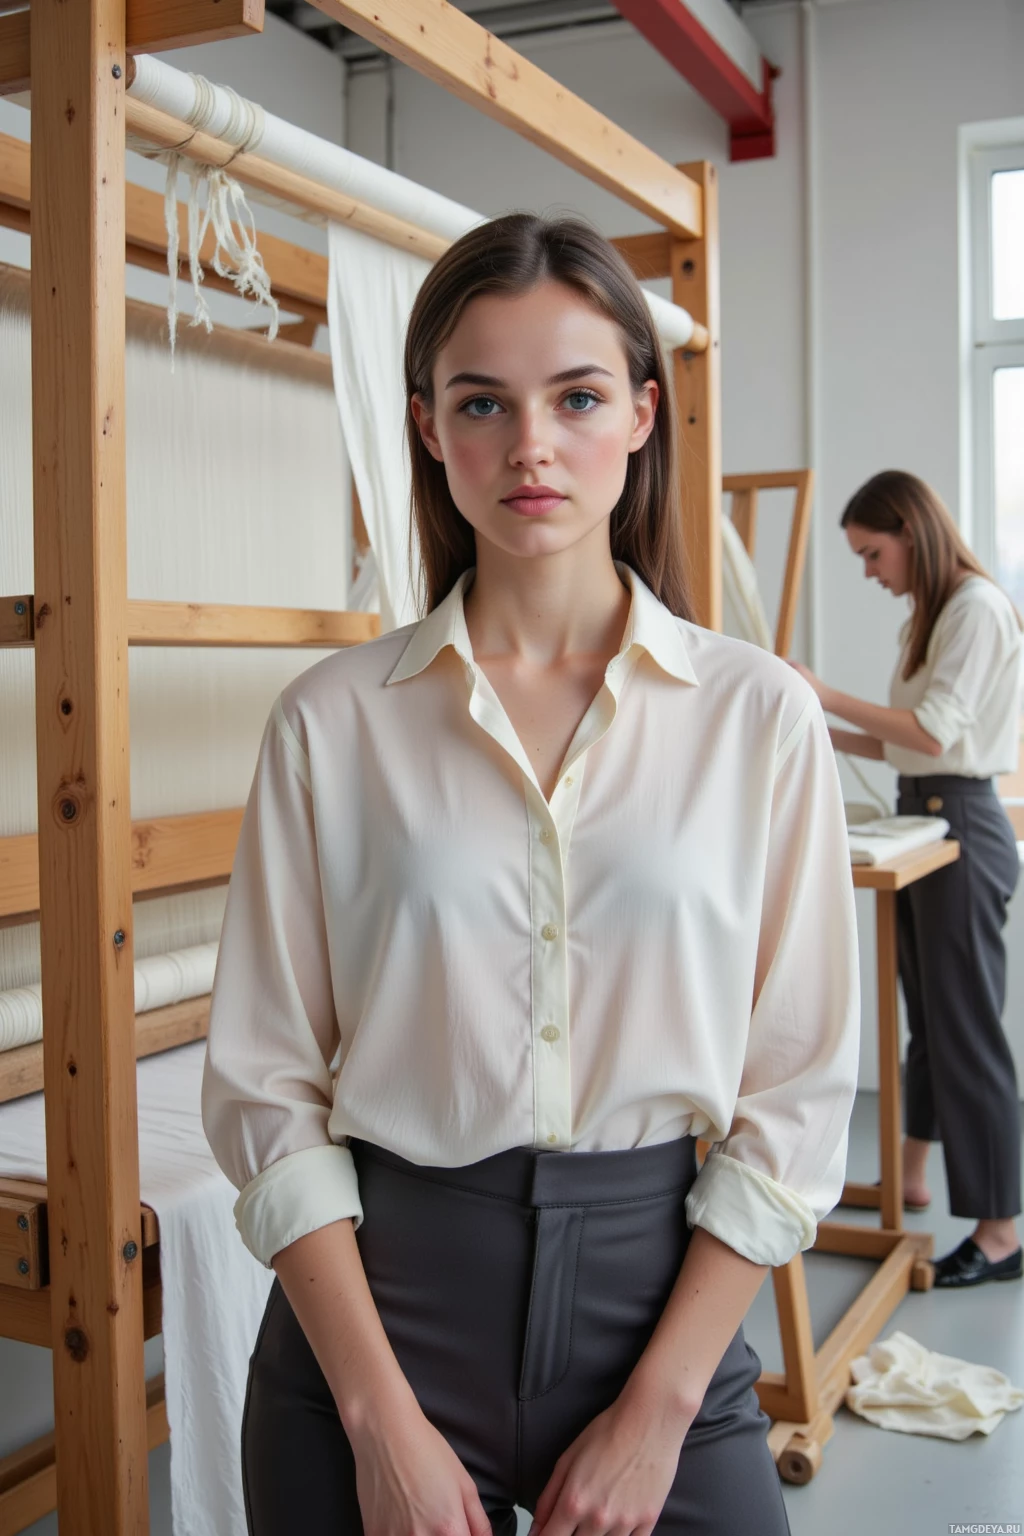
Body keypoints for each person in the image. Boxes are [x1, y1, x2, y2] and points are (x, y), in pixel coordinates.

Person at [202, 213, 860, 1536]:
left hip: (655, 1313)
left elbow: (792, 1088)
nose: (532, 445)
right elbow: (270, 1084)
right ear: (430, 429)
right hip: (376, 1321)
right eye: (483, 403)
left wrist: (660, 1412)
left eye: (576, 396)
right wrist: (379, 1422)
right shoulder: (334, 721)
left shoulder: (756, 717)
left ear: (642, 416)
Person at [791, 469, 1023, 1289]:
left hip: (959, 824)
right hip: (922, 809)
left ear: (909, 532)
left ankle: (1001, 1231)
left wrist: (828, 694)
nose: (868, 571)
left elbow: (931, 734)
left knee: (966, 1033)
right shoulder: (932, 616)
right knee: (929, 1019)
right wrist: (808, 724)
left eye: (871, 552)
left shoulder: (976, 610)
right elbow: (905, 745)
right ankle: (912, 1176)